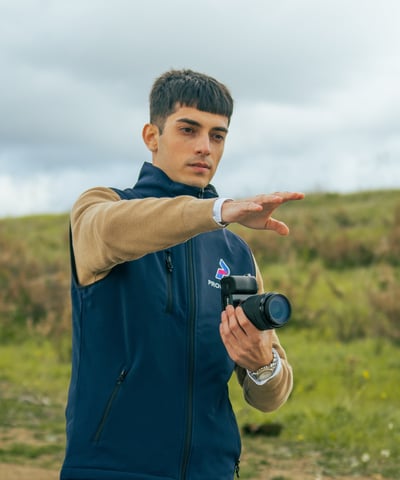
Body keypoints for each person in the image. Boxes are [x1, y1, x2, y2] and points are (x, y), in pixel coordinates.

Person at [60, 69, 304, 480]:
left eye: (217, 135)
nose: (204, 148)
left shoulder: (235, 251)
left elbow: (268, 397)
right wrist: (216, 211)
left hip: (212, 469)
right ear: (152, 137)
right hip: (111, 468)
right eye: (188, 130)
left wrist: (262, 365)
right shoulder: (100, 208)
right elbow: (113, 227)